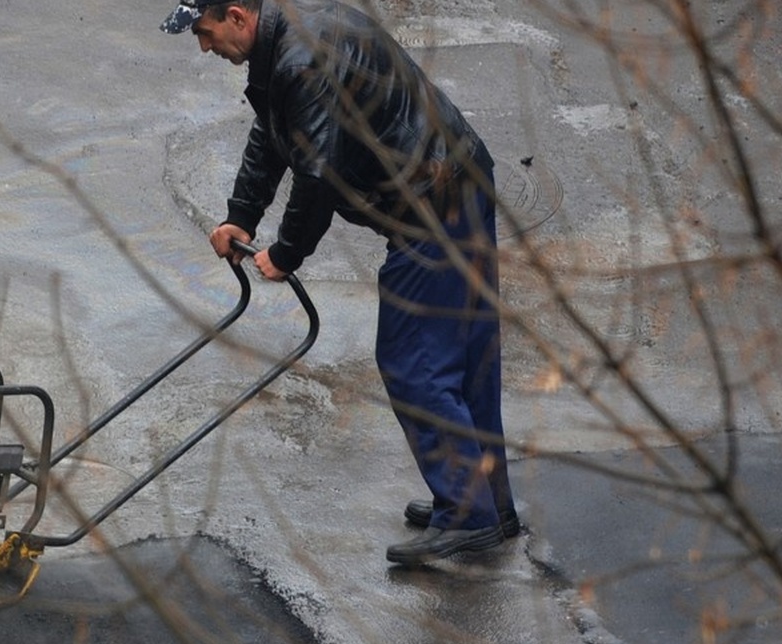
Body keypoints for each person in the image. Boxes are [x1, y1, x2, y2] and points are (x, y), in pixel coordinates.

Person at [161, 0, 519, 565]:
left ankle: (469, 513)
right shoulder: (289, 39)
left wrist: (286, 253)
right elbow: (277, 133)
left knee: (415, 359)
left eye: (205, 34)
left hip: (433, 203)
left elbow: (317, 170)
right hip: (454, 182)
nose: (205, 48)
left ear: (235, 15)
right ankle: (484, 504)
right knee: (466, 355)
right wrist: (242, 215)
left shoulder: (301, 60)